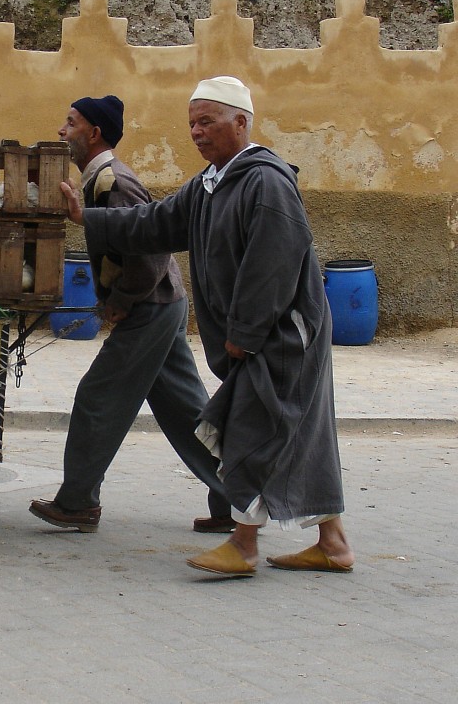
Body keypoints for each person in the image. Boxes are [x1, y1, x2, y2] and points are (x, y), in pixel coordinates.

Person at [62, 77, 354, 576]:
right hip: (260, 335)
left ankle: (243, 545)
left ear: (241, 122)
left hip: (282, 334)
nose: (197, 132)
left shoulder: (265, 182)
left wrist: (245, 333)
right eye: (192, 123)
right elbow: (155, 223)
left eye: (207, 122)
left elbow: (273, 264)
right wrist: (86, 218)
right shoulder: (210, 184)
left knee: (248, 429)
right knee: (299, 431)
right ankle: (334, 544)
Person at [29, 95, 233, 535]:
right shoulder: (97, 179)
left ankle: (78, 503)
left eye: (71, 123)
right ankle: (237, 498)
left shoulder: (113, 182)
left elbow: (150, 251)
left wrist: (121, 298)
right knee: (187, 412)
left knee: (97, 399)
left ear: (94, 133)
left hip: (150, 307)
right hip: (161, 304)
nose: (62, 130)